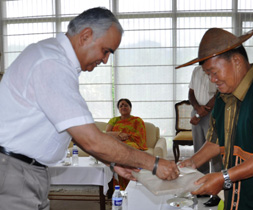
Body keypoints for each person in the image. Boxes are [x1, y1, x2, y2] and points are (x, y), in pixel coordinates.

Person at [0, 7, 179, 210]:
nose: (105, 60)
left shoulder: (54, 59)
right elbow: (91, 140)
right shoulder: (51, 63)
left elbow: (74, 132)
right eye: (106, 51)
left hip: (25, 170)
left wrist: (112, 162)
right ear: (85, 36)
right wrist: (154, 164)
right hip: (13, 171)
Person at [176, 27, 253, 210]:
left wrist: (223, 177)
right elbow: (215, 141)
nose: (212, 80)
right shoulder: (222, 98)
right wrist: (191, 162)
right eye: (208, 74)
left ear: (236, 61)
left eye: (214, 72)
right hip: (239, 199)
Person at [188, 65, 223, 206]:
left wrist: (203, 111)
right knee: (199, 151)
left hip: (213, 113)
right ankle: (201, 187)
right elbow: (191, 93)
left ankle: (217, 193)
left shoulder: (216, 69)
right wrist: (197, 109)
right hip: (197, 114)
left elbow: (218, 94)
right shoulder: (196, 70)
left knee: (214, 154)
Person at [106, 98, 147, 189]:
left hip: (131, 144)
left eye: (126, 105)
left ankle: (132, 185)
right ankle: (121, 187)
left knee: (127, 150)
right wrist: (119, 134)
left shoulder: (137, 120)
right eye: (121, 106)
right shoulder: (114, 120)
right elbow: (107, 133)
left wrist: (127, 136)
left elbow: (140, 136)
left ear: (130, 108)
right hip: (117, 143)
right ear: (119, 109)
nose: (123, 107)